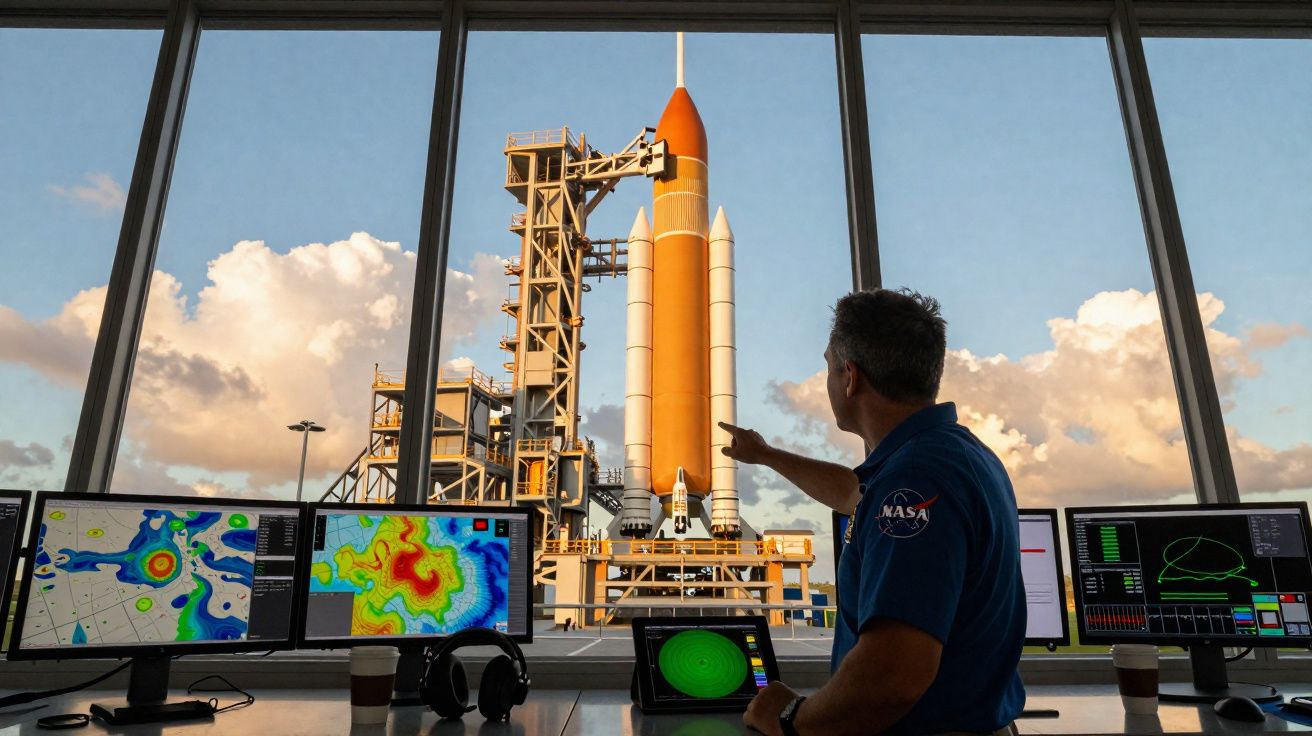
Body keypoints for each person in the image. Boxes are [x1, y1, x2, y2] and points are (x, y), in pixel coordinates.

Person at [727, 289, 1025, 736]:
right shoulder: (953, 456)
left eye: (828, 367)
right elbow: (855, 493)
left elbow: (892, 677)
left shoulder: (913, 482)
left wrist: (790, 719)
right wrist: (767, 456)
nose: (826, 380)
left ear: (850, 377)